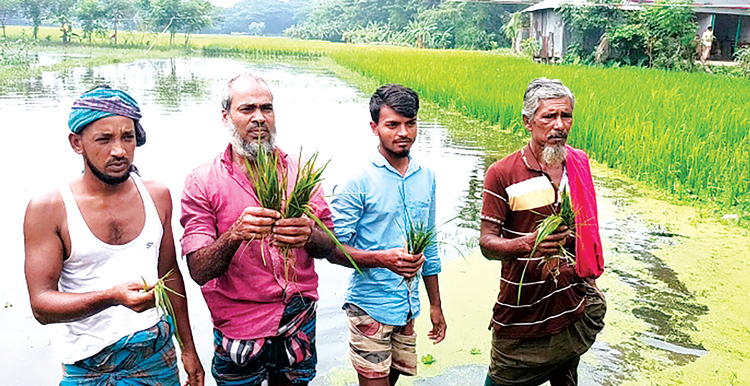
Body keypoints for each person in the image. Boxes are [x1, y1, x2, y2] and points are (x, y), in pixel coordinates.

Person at [24, 86, 204, 386]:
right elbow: (41, 305)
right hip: (88, 365)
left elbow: (169, 275)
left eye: (127, 137)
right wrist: (112, 297)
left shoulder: (157, 196)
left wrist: (188, 350)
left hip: (156, 355)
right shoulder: (50, 208)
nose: (119, 150)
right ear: (76, 143)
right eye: (104, 139)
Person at [180, 73, 335, 386]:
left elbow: (330, 245)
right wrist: (235, 234)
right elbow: (198, 270)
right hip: (239, 328)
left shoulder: (299, 171)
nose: (259, 118)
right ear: (226, 117)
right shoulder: (203, 181)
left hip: (297, 319)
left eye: (267, 108)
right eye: (247, 109)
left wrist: (307, 233)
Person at [479, 78, 606, 386]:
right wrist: (527, 243)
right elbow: (487, 243)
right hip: (521, 310)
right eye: (549, 116)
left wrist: (588, 282)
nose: (559, 125)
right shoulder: (503, 173)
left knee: (567, 379)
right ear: (527, 121)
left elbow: (584, 235)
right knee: (500, 380)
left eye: (566, 116)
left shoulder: (577, 164)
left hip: (570, 305)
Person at [330, 84, 446, 386]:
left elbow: (428, 246)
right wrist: (383, 259)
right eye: (392, 125)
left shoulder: (427, 176)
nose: (403, 133)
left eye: (411, 123)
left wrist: (435, 305)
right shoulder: (357, 179)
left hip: (406, 306)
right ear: (375, 127)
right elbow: (335, 250)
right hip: (369, 307)